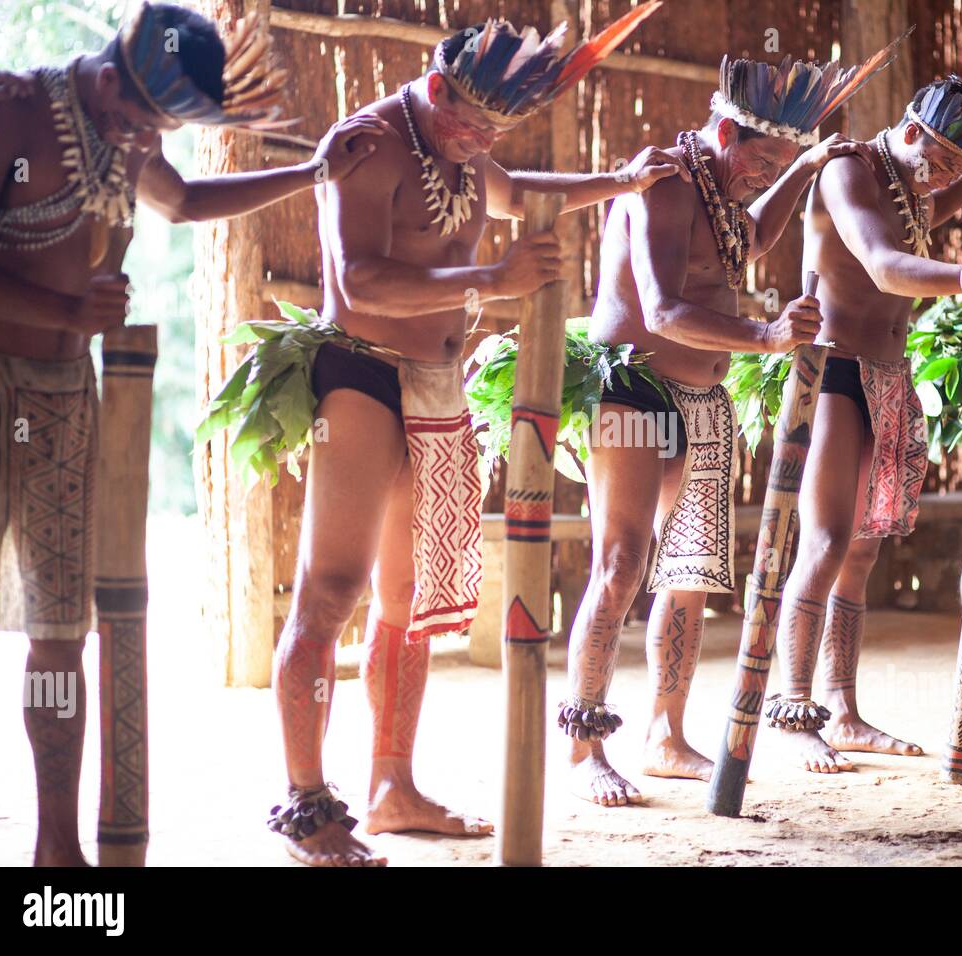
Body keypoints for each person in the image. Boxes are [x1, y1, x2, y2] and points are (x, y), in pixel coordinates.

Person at [261, 7, 678, 865]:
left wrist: (620, 180)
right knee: (328, 590)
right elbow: (359, 280)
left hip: (434, 386)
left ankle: (391, 788)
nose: (477, 141)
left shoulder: (455, 134)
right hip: (361, 372)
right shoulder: (368, 142)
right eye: (471, 123)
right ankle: (307, 806)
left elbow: (519, 191)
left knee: (405, 605)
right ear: (439, 87)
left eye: (494, 129)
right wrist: (492, 275)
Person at [0, 1, 386, 866]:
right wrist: (61, 307)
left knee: (59, 637)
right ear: (112, 75)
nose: (140, 145)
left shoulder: (121, 134)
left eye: (156, 131)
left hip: (59, 398)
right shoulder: (10, 114)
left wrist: (312, 172)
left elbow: (189, 199)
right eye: (137, 122)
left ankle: (57, 848)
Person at [565, 40, 905, 804]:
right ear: (726, 133)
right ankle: (586, 746)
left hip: (702, 399)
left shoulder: (719, 192)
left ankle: (663, 735)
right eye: (762, 157)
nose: (762, 169)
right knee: (621, 564)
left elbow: (747, 238)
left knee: (686, 577)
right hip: (634, 392)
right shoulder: (662, 180)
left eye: (777, 158)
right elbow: (658, 310)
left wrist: (805, 168)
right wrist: (763, 336)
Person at [773, 74, 962, 773]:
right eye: (946, 159)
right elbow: (886, 266)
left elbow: (935, 200)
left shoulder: (904, 181)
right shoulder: (850, 171)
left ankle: (843, 709)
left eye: (957, 167)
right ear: (916, 133)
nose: (946, 178)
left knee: (861, 549)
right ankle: (796, 711)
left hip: (885, 377)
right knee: (827, 541)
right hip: (833, 374)